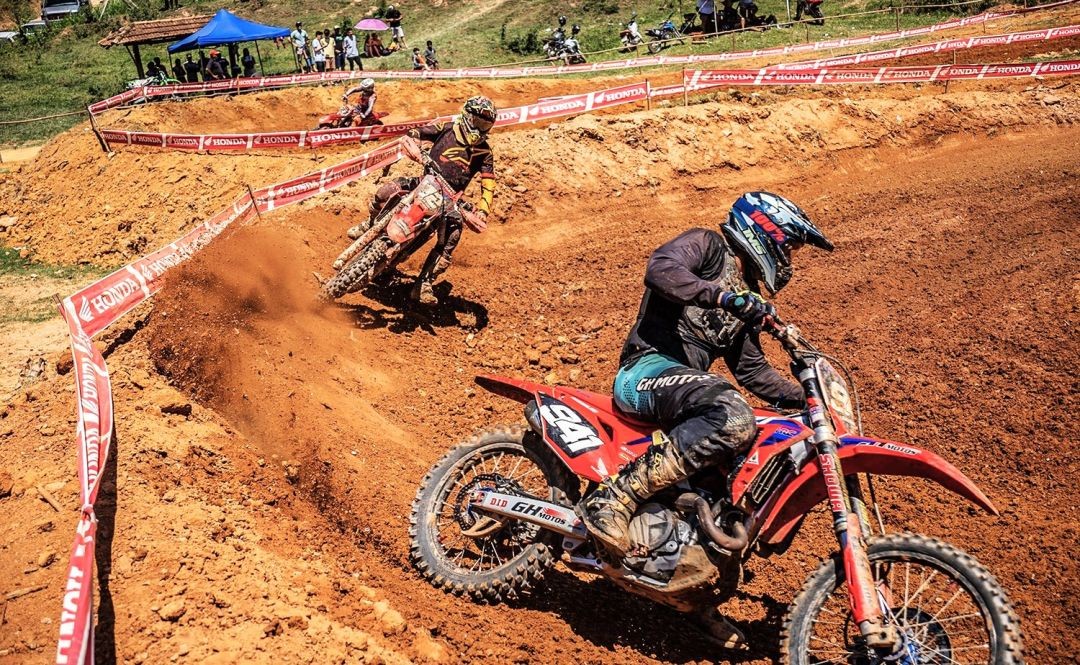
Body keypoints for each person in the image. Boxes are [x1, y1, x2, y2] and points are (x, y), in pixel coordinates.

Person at [578, 192, 834, 644]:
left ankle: (692, 594)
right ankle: (614, 498)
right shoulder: (708, 246)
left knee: (743, 474)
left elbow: (754, 373)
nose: (790, 259)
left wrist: (811, 398)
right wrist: (719, 294)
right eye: (790, 247)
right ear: (767, 232)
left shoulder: (746, 300)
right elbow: (660, 269)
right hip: (645, 372)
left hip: (685, 394)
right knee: (732, 413)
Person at [349, 96, 498, 305]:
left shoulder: (484, 152)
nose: (480, 128)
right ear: (467, 115)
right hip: (425, 180)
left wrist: (483, 210)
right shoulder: (446, 128)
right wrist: (413, 145)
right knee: (385, 192)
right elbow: (417, 132)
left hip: (450, 198)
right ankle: (370, 223)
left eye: (485, 125)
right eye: (478, 122)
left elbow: (488, 183)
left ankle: (424, 283)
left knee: (453, 235)